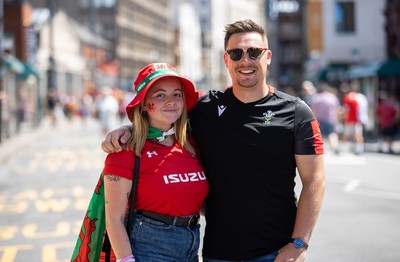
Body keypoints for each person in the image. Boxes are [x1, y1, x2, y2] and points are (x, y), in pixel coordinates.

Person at [102, 19, 325, 262]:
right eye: (236, 53)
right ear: (226, 59)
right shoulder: (204, 109)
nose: (245, 60)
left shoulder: (297, 112)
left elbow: (315, 180)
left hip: (277, 253)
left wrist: (299, 244)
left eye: (254, 52)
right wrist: (129, 129)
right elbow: (164, 117)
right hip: (218, 253)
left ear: (268, 56)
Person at [103, 63, 209, 262]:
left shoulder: (191, 143)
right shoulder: (125, 150)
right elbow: (114, 219)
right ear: (143, 104)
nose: (171, 101)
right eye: (160, 95)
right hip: (149, 247)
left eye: (177, 94)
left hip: (192, 245)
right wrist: (126, 260)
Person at [311, 84, 340, 154]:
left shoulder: (317, 97)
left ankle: (319, 149)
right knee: (332, 134)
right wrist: (337, 119)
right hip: (330, 119)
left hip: (320, 119)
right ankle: (334, 147)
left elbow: (313, 109)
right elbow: (336, 109)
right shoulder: (332, 97)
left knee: (319, 135)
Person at [341, 81, 367, 155]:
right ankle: (360, 149)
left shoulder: (348, 97)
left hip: (350, 119)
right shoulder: (362, 97)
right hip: (359, 119)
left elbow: (347, 110)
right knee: (358, 134)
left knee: (346, 135)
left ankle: (344, 149)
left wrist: (345, 119)